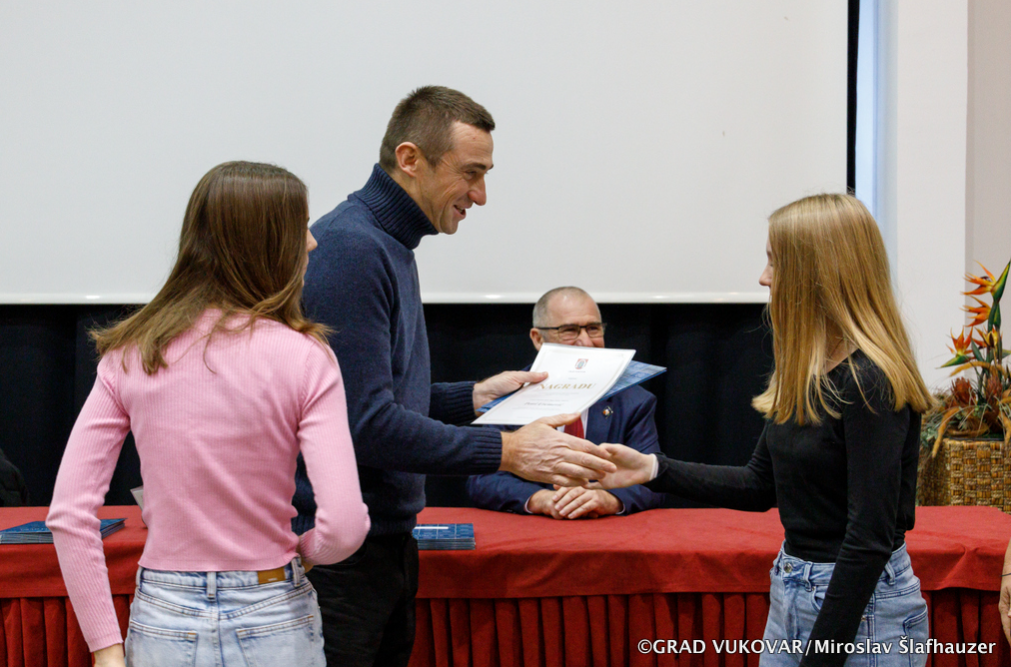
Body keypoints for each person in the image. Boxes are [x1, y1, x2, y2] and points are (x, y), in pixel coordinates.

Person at [292, 86, 615, 667]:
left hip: (376, 546)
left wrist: (474, 396)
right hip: (341, 558)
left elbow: (376, 399)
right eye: (470, 173)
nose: (481, 196)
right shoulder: (351, 249)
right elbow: (363, 425)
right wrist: (509, 451)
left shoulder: (385, 242)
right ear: (410, 159)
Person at [47, 162, 370, 667]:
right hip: (272, 609)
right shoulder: (305, 356)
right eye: (300, 227)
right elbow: (346, 527)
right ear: (264, 243)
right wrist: (305, 551)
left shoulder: (131, 353)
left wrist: (106, 649)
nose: (311, 242)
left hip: (163, 616)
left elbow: (69, 514)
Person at [590, 194, 934, 666]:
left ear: (818, 272)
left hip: (864, 610)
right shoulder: (806, 369)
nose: (763, 277)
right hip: (794, 591)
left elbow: (868, 539)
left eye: (775, 261)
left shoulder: (869, 381)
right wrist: (651, 469)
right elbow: (758, 485)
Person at [467, 286, 665, 518]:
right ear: (538, 338)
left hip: (602, 529)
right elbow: (482, 479)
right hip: (532, 528)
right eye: (569, 330)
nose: (586, 343)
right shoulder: (508, 395)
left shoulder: (634, 401)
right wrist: (541, 500)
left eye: (593, 329)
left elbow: (655, 480)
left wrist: (608, 499)